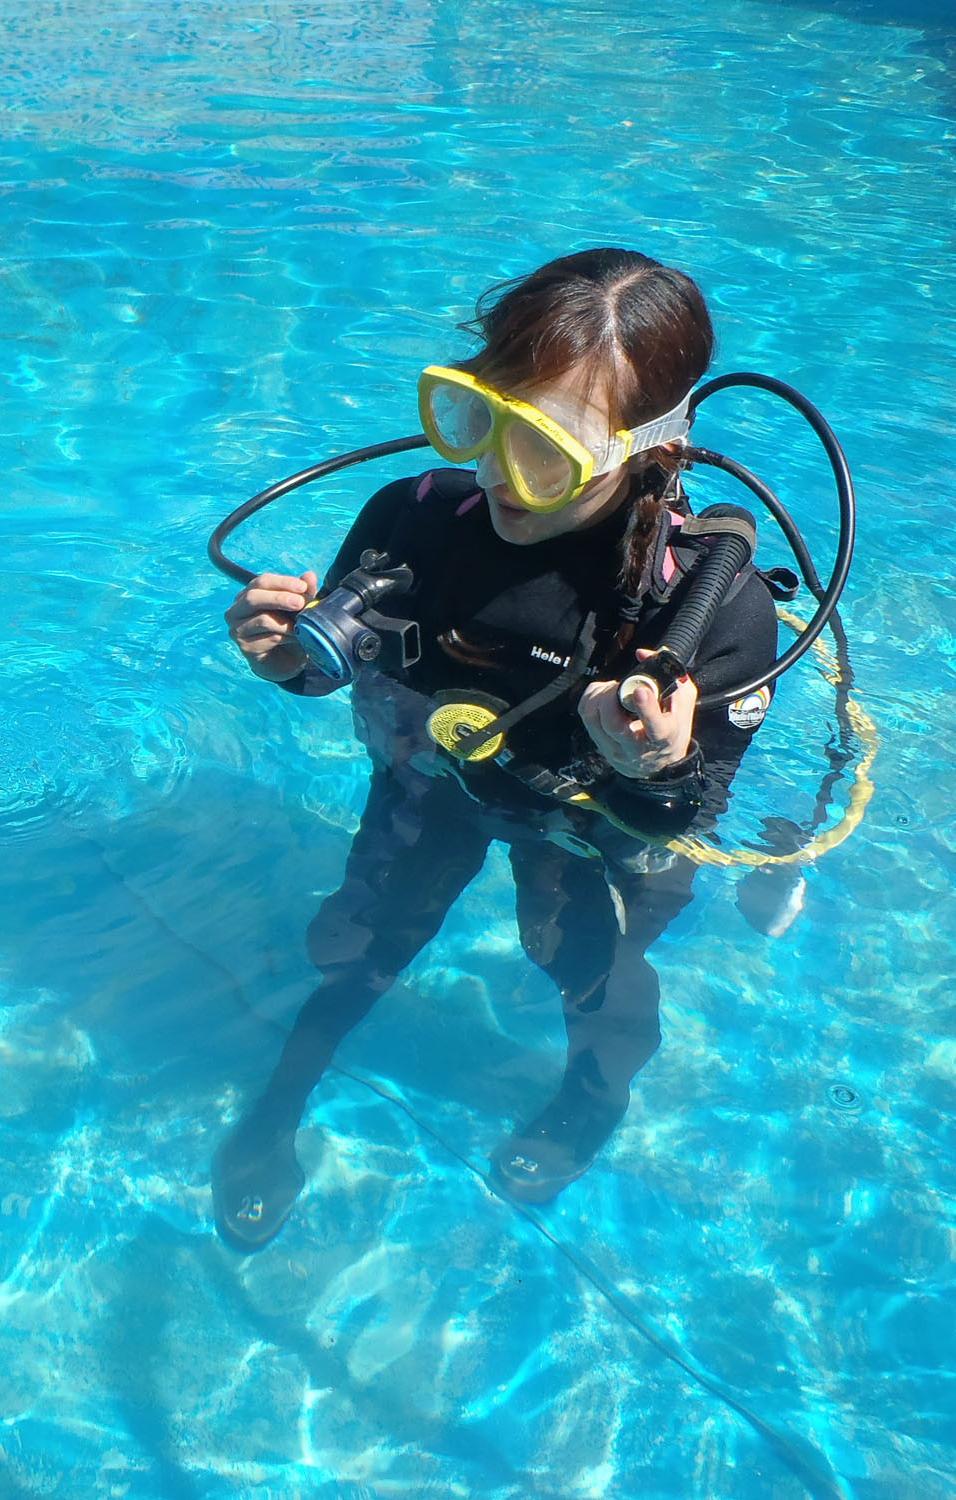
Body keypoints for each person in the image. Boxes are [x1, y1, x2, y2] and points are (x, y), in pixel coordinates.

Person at [215, 249, 778, 1249]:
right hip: (432, 782)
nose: (493, 474)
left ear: (651, 446)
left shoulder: (707, 604)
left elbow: (686, 822)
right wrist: (285, 662)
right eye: (479, 418)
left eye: (544, 451)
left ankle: (588, 1101)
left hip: (586, 830)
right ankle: (278, 1102)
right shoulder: (413, 519)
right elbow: (340, 665)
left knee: (584, 965)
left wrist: (654, 766)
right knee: (355, 943)